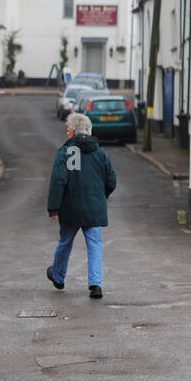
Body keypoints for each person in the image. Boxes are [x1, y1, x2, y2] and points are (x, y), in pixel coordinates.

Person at [46, 112, 116, 298]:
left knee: (65, 242)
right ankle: (95, 285)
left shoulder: (69, 153)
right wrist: (100, 197)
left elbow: (59, 180)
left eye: (68, 128)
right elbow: (112, 181)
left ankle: (58, 276)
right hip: (94, 209)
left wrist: (54, 207)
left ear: (73, 131)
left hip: (71, 208)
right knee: (94, 245)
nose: (67, 131)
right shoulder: (100, 153)